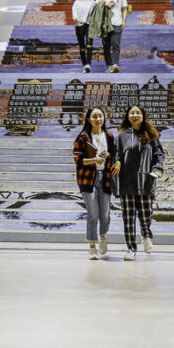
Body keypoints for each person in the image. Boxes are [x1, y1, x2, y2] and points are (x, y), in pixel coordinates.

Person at [115, 105, 165, 260]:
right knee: (128, 217)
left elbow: (159, 155)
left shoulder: (152, 134)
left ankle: (146, 234)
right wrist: (116, 162)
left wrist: (158, 169)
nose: (135, 115)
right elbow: (116, 153)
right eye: (132, 113)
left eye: (138, 113)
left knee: (145, 215)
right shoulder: (121, 136)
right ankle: (131, 248)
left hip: (145, 181)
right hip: (127, 182)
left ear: (143, 116)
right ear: (127, 116)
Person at [72, 106, 119, 259]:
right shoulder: (83, 138)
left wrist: (117, 162)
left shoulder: (110, 136)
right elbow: (78, 160)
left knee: (105, 213)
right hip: (88, 179)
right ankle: (92, 246)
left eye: (100, 116)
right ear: (88, 119)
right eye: (94, 117)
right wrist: (94, 160)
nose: (98, 119)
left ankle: (103, 237)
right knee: (93, 213)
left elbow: (116, 154)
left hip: (105, 178)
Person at [95, 0, 128, 73]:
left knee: (116, 44)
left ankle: (115, 64)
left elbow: (125, 8)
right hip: (105, 23)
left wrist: (124, 20)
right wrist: (105, 4)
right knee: (106, 46)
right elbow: (96, 6)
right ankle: (109, 65)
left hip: (117, 22)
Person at [72, 0, 96, 73]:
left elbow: (96, 12)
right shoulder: (77, 2)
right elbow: (74, 15)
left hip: (89, 25)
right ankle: (84, 64)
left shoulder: (92, 2)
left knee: (89, 44)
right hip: (79, 26)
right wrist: (77, 19)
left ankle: (88, 65)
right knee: (82, 47)